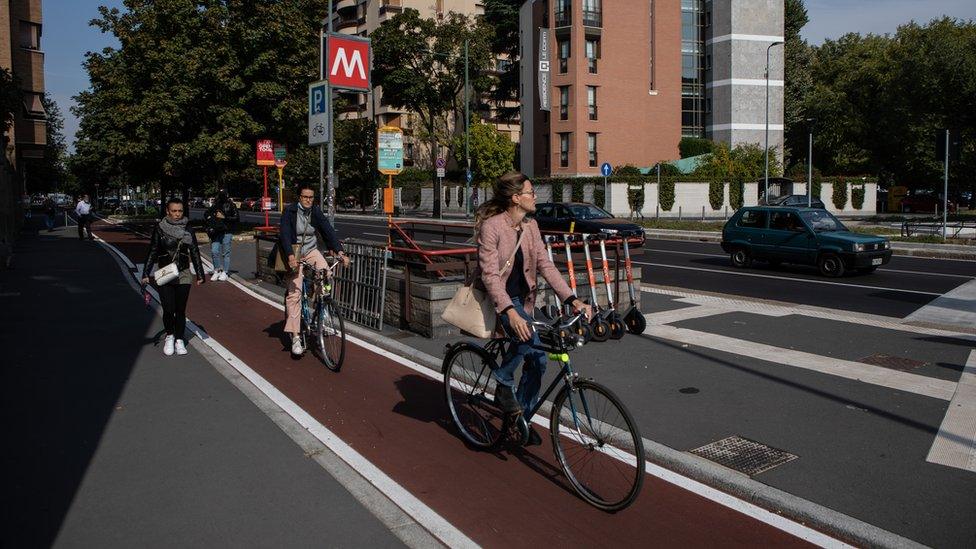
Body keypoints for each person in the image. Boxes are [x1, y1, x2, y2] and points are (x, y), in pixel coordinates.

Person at [475, 172, 592, 444]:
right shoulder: (492, 227)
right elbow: (489, 276)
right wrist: (510, 312)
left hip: (525, 300)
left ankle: (521, 420)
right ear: (516, 198)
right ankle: (503, 380)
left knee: (539, 361)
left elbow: (546, 266)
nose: (535, 196)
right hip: (504, 301)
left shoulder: (531, 226)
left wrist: (572, 300)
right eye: (530, 192)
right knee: (526, 338)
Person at [279, 183, 350, 356]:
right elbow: (285, 234)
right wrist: (290, 256)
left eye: (311, 197)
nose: (308, 200)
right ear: (299, 197)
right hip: (293, 252)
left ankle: (321, 302)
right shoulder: (290, 211)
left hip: (310, 250)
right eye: (305, 197)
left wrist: (340, 252)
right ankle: (296, 337)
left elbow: (327, 231)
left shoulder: (315, 211)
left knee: (326, 272)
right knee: (294, 294)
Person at [141, 198, 206, 356]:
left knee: (180, 309)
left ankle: (179, 339)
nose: (177, 214)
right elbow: (153, 250)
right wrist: (145, 273)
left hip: (183, 273)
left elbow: (195, 251)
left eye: (180, 211)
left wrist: (200, 273)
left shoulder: (188, 229)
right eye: (174, 211)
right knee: (168, 309)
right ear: (168, 212)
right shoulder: (160, 229)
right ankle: (170, 336)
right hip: (165, 272)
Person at [204, 190, 240, 281]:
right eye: (220, 195)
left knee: (226, 253)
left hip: (227, 231)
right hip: (216, 231)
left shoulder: (231, 205)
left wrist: (224, 217)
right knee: (214, 251)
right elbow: (207, 213)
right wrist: (209, 218)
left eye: (223, 195)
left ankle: (225, 272)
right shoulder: (216, 204)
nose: (221, 197)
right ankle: (217, 270)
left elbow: (236, 218)